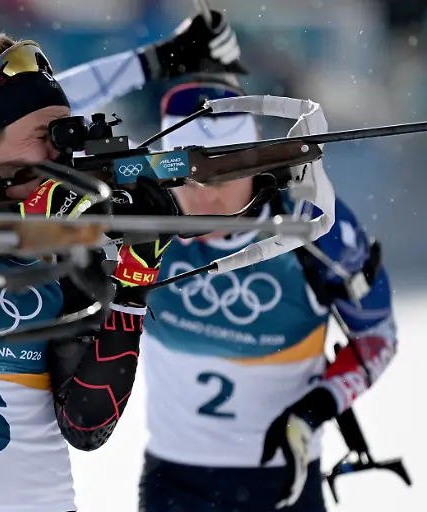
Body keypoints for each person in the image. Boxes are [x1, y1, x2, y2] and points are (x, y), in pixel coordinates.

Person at [0, 15, 242, 512]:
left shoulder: (65, 251)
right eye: (46, 135)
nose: (64, 153)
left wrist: (134, 277)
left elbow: (88, 424)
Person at [136, 74, 397, 510]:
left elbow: (377, 338)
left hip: (284, 480)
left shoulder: (314, 225)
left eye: (219, 179)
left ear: (256, 162)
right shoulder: (139, 225)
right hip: (175, 480)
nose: (203, 200)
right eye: (185, 179)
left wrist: (311, 412)